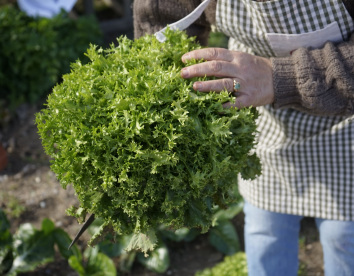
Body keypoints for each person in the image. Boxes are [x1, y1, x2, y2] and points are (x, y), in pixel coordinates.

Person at [133, 0, 354, 275]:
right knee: (266, 234)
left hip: (348, 128)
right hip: (265, 113)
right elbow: (164, 14)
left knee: (343, 238)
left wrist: (277, 77)